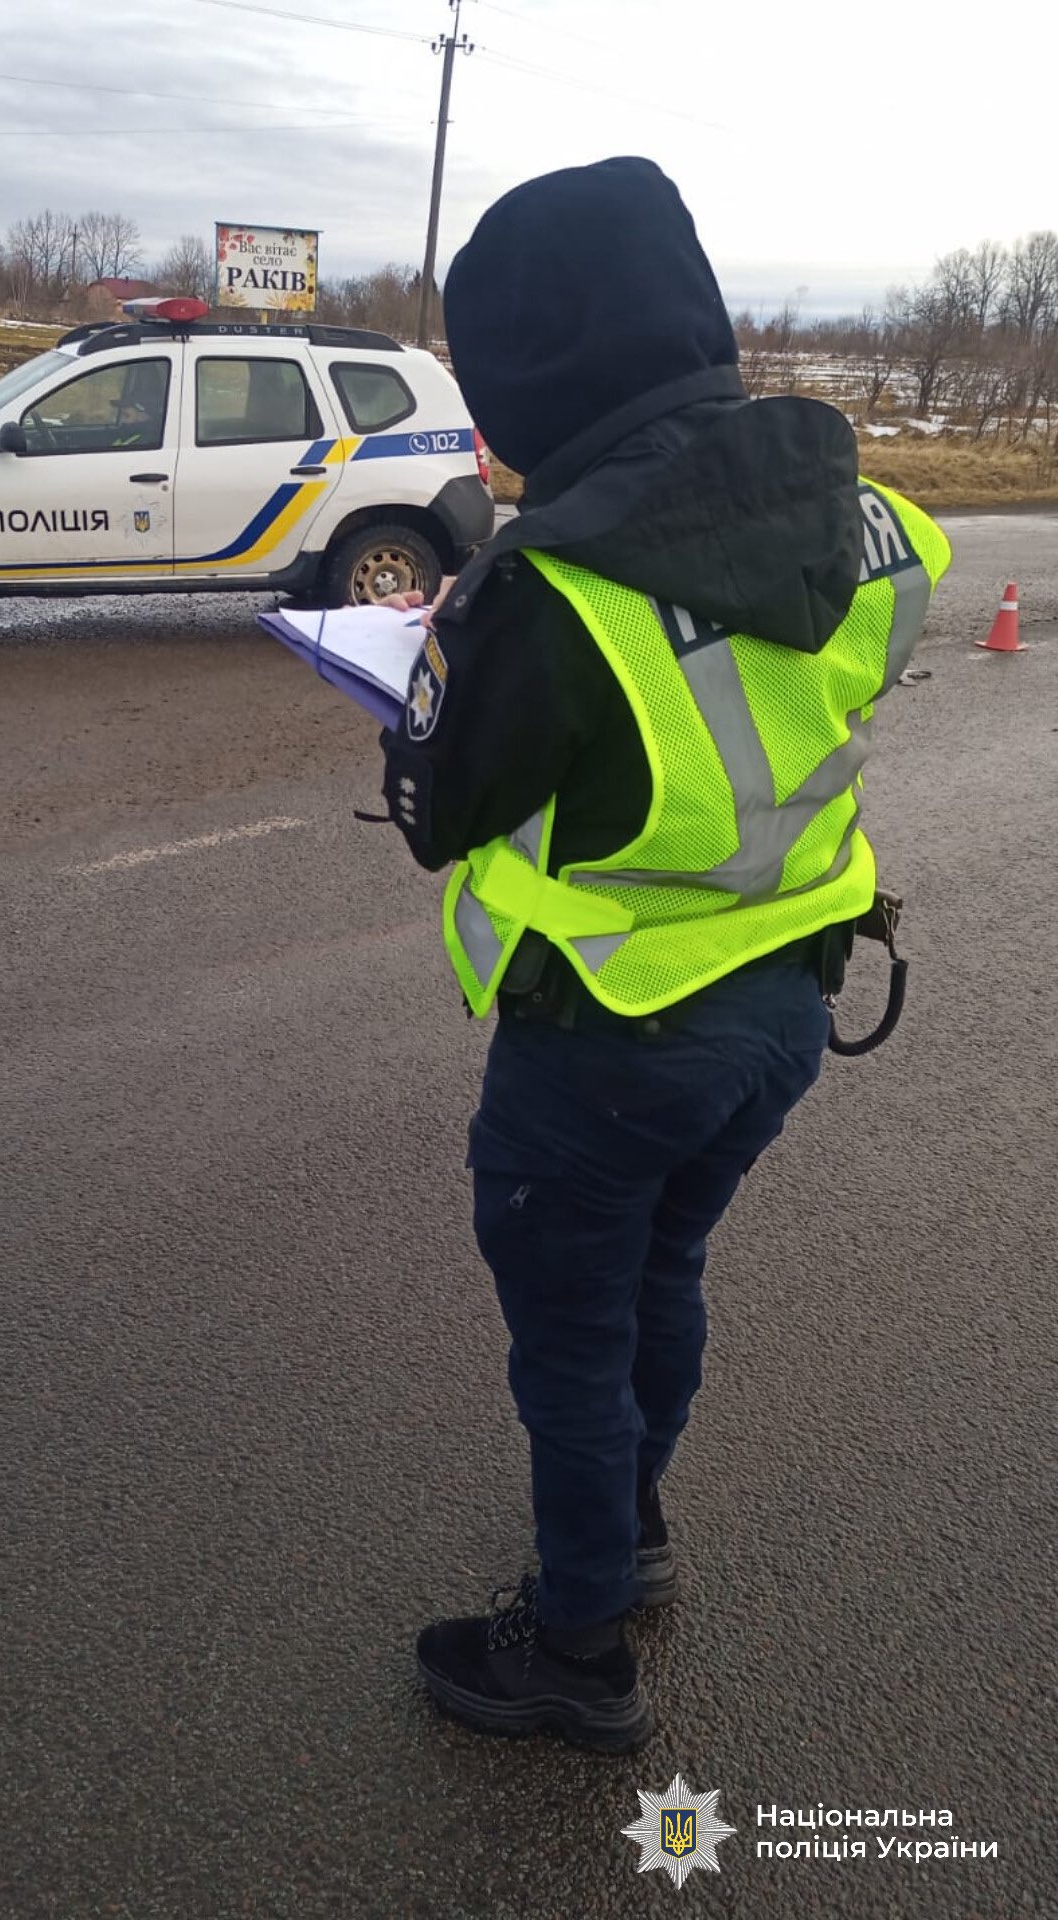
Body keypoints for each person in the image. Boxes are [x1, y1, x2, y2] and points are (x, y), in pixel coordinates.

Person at [376, 158, 950, 1752]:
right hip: (788, 1009)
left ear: (529, 377)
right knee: (662, 1274)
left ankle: (577, 1650)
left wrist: (442, 655)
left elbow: (434, 810)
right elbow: (817, 676)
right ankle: (630, 1532)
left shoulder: (550, 588)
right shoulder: (879, 524)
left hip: (612, 1037)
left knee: (573, 1338)